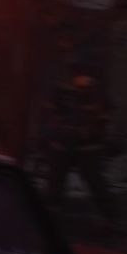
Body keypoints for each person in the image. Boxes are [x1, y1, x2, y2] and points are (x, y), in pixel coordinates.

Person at [45, 74, 118, 224]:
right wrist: (57, 133)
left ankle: (111, 218)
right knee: (55, 181)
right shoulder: (61, 90)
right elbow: (50, 113)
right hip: (62, 144)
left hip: (88, 147)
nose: (81, 79)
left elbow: (105, 115)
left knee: (95, 181)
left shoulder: (97, 92)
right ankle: (50, 215)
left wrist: (91, 131)